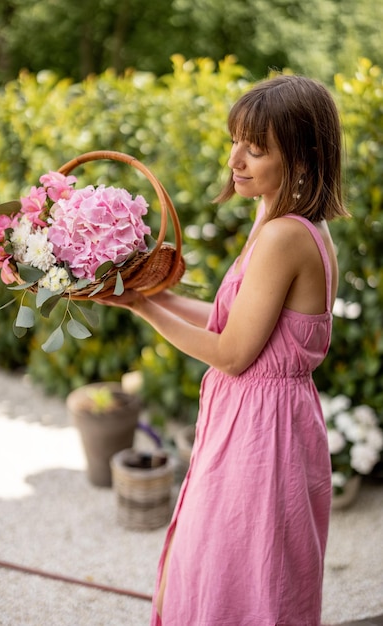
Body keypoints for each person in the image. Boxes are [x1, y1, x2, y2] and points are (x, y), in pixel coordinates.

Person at [95, 74, 349, 625]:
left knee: (249, 578)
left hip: (265, 432)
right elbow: (224, 320)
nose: (235, 159)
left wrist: (140, 309)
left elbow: (232, 353)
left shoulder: (287, 236)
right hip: (253, 417)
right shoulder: (272, 219)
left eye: (255, 149)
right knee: (221, 565)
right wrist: (141, 293)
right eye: (234, 140)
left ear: (302, 160)